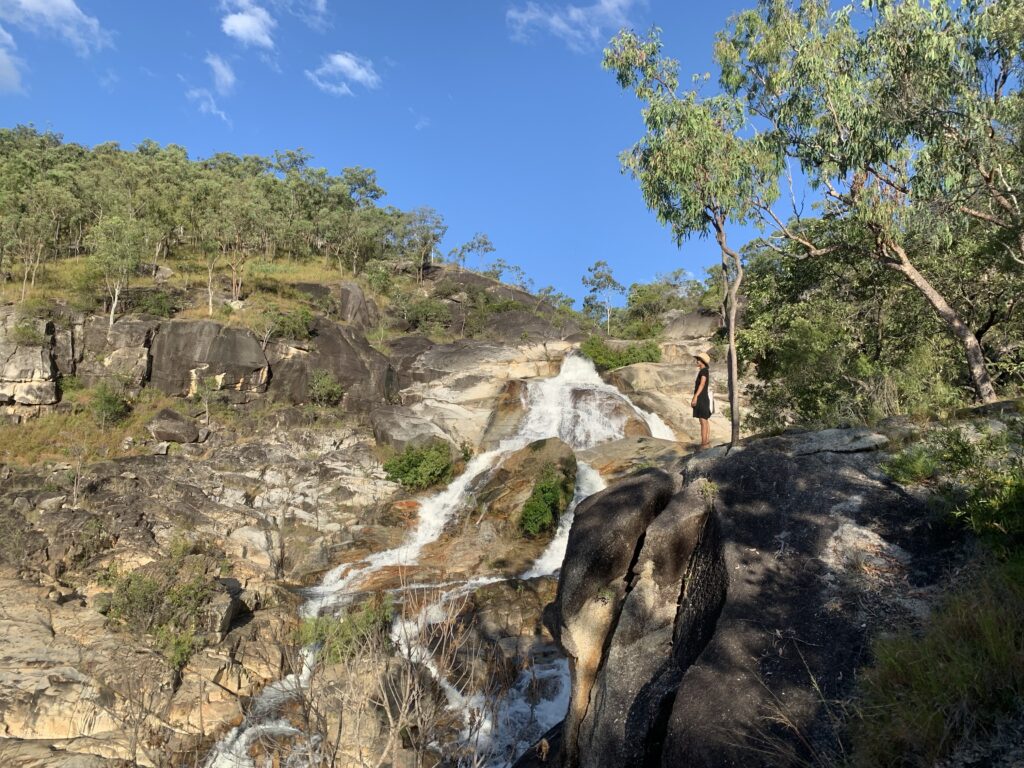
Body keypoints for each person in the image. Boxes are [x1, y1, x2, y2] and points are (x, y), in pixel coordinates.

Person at [691, 351, 713, 449]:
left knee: (703, 421)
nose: (697, 361)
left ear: (702, 362)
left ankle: (704, 444)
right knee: (705, 421)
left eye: (698, 359)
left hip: (701, 398)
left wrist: (695, 397)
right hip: (703, 397)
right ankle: (706, 442)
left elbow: (702, 384)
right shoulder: (704, 371)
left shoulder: (703, 371)